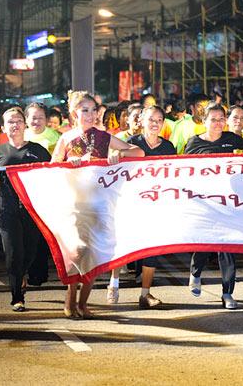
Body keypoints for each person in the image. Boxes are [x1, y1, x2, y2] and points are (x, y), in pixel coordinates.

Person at [51, 91, 145, 318]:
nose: (91, 115)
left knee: (96, 255)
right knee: (75, 253)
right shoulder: (66, 138)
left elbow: (139, 152)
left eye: (94, 110)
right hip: (73, 204)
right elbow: (52, 165)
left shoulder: (103, 136)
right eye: (85, 110)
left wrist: (119, 155)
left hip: (100, 203)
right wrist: (67, 163)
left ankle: (83, 303)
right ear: (74, 113)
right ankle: (70, 298)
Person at [185, 104, 243, 310]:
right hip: (205, 202)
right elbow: (183, 170)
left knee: (227, 247)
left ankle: (227, 293)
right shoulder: (194, 143)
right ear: (204, 121)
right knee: (205, 243)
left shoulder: (231, 138)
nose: (219, 123)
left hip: (228, 201)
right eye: (213, 119)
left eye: (222, 118)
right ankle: (195, 273)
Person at [0, 107, 51, 311]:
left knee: (30, 251)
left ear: (25, 125)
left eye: (18, 121)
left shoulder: (38, 149)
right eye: (10, 122)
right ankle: (17, 296)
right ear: (3, 127)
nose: (14, 125)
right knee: (13, 252)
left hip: (31, 207)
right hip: (6, 207)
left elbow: (53, 174)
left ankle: (21, 274)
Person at [125, 106, 178, 308]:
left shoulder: (169, 147)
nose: (155, 123)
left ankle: (145, 294)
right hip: (132, 202)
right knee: (124, 243)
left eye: (159, 120)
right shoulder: (131, 143)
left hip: (157, 204)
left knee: (152, 249)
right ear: (141, 121)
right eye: (150, 119)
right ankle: (113, 284)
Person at [23, 103, 61, 286]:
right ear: (26, 119)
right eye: (32, 117)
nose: (36, 121)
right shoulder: (20, 135)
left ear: (46, 119)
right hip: (23, 192)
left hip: (47, 192)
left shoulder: (55, 137)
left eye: (40, 117)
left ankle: (40, 272)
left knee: (42, 234)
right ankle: (29, 272)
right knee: (26, 233)